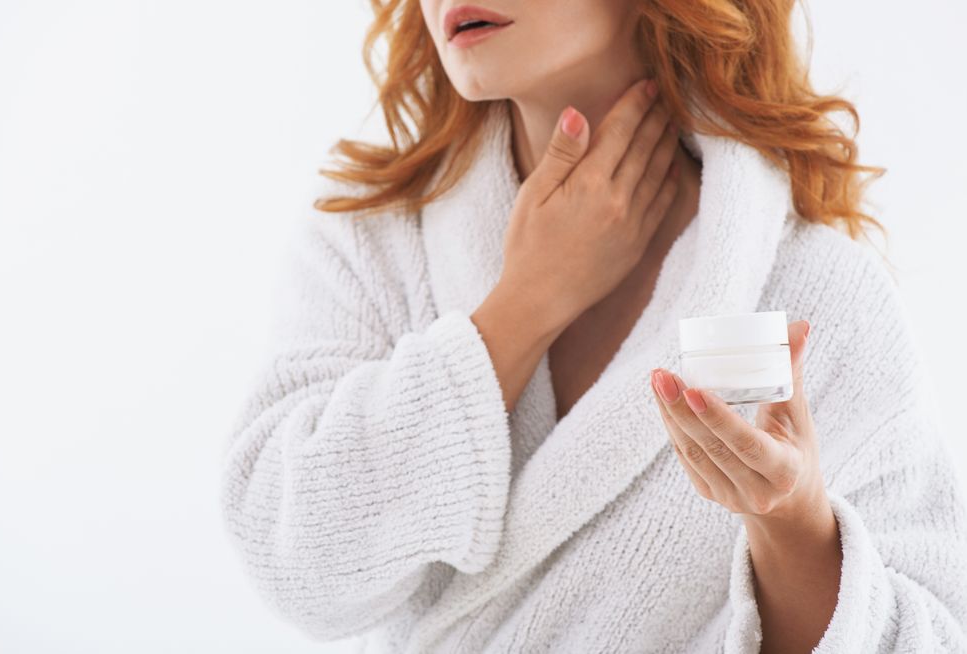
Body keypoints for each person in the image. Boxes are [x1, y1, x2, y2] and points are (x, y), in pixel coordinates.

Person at [220, 1, 967, 652]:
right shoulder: (373, 240)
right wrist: (525, 303)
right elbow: (295, 568)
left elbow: (933, 633)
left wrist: (796, 529)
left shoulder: (817, 291)